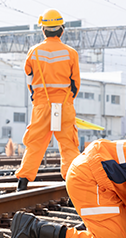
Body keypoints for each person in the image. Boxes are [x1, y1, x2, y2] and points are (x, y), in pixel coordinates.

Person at [15, 8, 81, 191]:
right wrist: (66, 100)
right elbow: (75, 83)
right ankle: (73, 184)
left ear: (43, 30)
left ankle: (23, 181)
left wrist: (37, 97)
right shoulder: (71, 53)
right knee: (68, 145)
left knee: (35, 143)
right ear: (62, 29)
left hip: (42, 105)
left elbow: (29, 78)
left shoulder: (34, 52)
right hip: (64, 105)